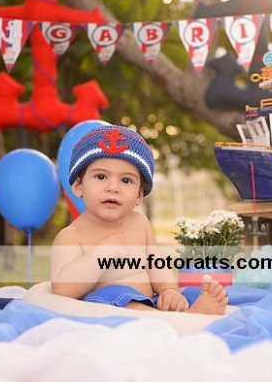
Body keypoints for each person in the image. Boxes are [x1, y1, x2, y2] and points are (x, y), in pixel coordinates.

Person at [51, 125, 228, 315]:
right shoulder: (71, 236)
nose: (113, 187)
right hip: (110, 309)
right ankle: (182, 319)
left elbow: (156, 265)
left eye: (126, 180)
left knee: (188, 293)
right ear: (78, 186)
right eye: (101, 176)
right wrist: (102, 252)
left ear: (139, 195)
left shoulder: (139, 222)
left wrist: (169, 290)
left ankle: (183, 311)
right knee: (114, 294)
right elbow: (62, 289)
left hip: (148, 302)